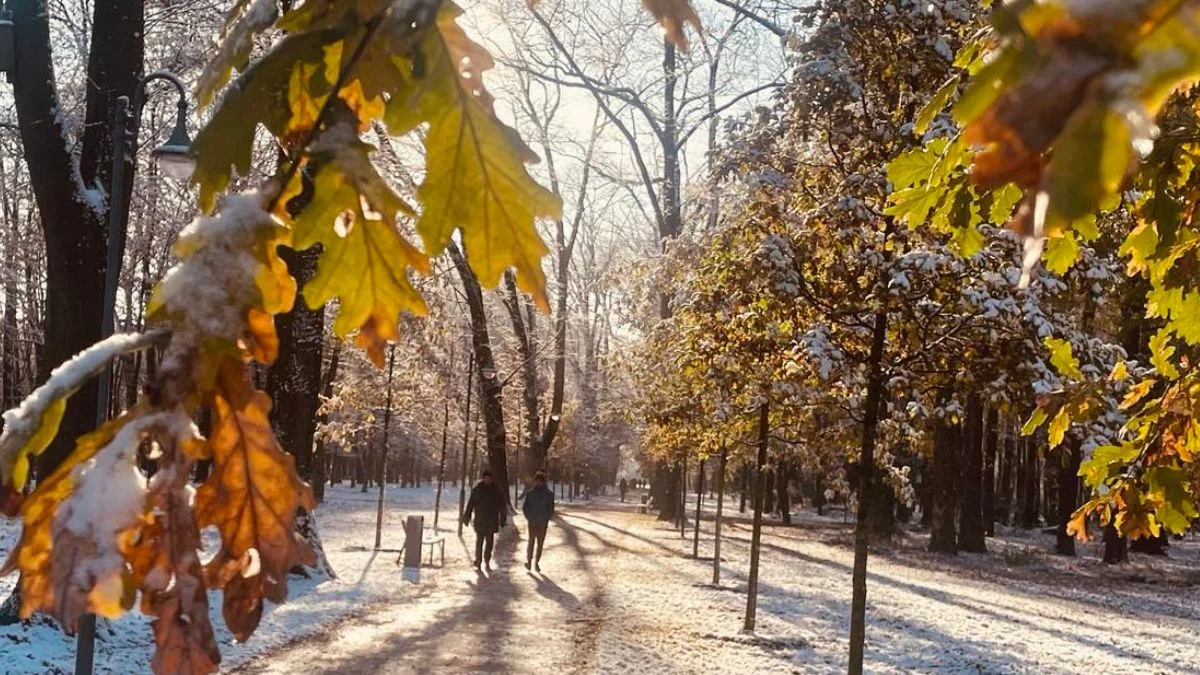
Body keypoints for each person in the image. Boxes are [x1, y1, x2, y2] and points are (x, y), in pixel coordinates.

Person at [464, 470, 507, 571]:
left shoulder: (496, 491)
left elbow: (502, 506)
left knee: (489, 542)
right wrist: (467, 516)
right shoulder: (477, 490)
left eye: (489, 478)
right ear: (483, 478)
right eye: (485, 478)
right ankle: (478, 561)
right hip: (480, 520)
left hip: (492, 520)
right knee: (479, 542)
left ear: (492, 479)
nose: (487, 480)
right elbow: (471, 504)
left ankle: (487, 560)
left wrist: (503, 518)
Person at [521, 471, 555, 572]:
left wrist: (546, 518)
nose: (538, 483)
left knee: (539, 544)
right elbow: (525, 507)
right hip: (532, 522)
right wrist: (529, 517)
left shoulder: (549, 494)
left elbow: (551, 508)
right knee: (531, 542)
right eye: (537, 481)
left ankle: (536, 562)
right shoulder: (530, 493)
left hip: (542, 523)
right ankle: (529, 561)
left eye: (540, 481)